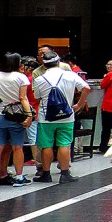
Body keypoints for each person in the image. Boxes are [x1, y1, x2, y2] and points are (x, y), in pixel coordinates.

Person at [32, 51, 90, 183]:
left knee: (46, 145)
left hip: (46, 117)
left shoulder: (40, 78)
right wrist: (78, 104)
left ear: (44, 65)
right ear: (58, 62)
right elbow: (86, 88)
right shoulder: (70, 75)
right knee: (64, 144)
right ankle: (65, 174)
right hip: (67, 115)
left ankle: (46, 174)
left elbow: (37, 96)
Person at [0, 52, 33, 188]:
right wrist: (29, 115)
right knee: (17, 147)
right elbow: (23, 98)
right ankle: (19, 177)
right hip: (15, 116)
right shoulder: (20, 77)